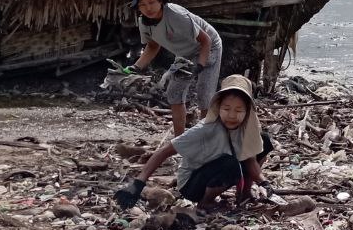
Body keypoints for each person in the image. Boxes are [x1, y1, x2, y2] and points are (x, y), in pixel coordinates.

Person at [114, 74, 271, 210]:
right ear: (218, 107)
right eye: (226, 109)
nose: (231, 115)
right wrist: (139, 183)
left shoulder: (248, 127)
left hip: (220, 171)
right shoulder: (205, 128)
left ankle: (244, 192)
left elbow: (250, 158)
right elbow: (165, 151)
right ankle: (206, 202)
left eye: (238, 111)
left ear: (247, 111)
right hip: (193, 184)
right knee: (230, 164)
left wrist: (264, 183)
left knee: (264, 141)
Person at [126, 0, 223, 138]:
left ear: (160, 1)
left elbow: (206, 40)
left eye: (151, 2)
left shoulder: (176, 15)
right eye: (142, 5)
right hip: (185, 54)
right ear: (138, 8)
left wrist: (199, 65)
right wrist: (136, 67)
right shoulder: (144, 23)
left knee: (204, 93)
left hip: (209, 47)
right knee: (174, 93)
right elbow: (152, 46)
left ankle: (206, 138)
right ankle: (180, 140)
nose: (148, 8)